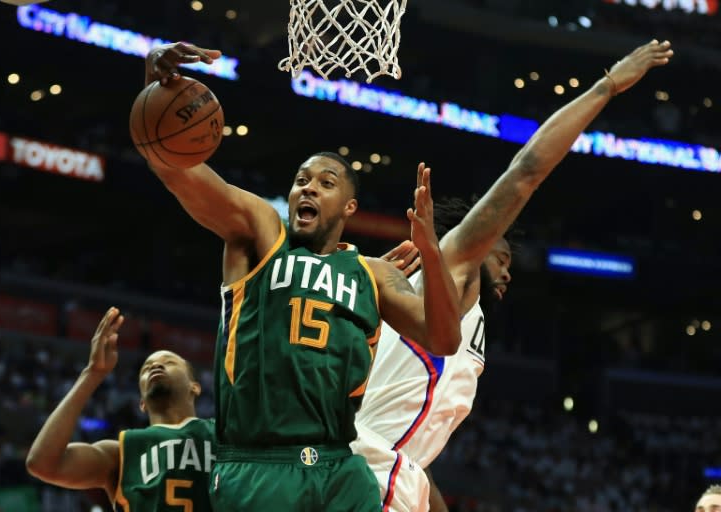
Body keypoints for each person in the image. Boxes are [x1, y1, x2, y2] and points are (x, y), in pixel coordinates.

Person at [352, 38, 675, 512]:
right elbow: (527, 170)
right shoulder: (453, 261)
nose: (508, 269)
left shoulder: (461, 308)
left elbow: (412, 454)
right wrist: (607, 87)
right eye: (502, 255)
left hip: (386, 467)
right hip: (365, 470)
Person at [140, 44, 463, 511]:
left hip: (339, 466)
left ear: (349, 207)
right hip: (258, 465)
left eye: (325, 182)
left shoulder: (373, 274)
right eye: (301, 180)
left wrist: (432, 254)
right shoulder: (260, 236)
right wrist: (155, 91)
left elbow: (444, 337)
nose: (308, 186)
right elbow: (181, 174)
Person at [25, 307, 216, 512]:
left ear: (194, 387)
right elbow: (42, 463)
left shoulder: (222, 432)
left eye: (169, 362)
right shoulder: (122, 452)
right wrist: (92, 373)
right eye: (146, 368)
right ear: (142, 402)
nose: (155, 366)